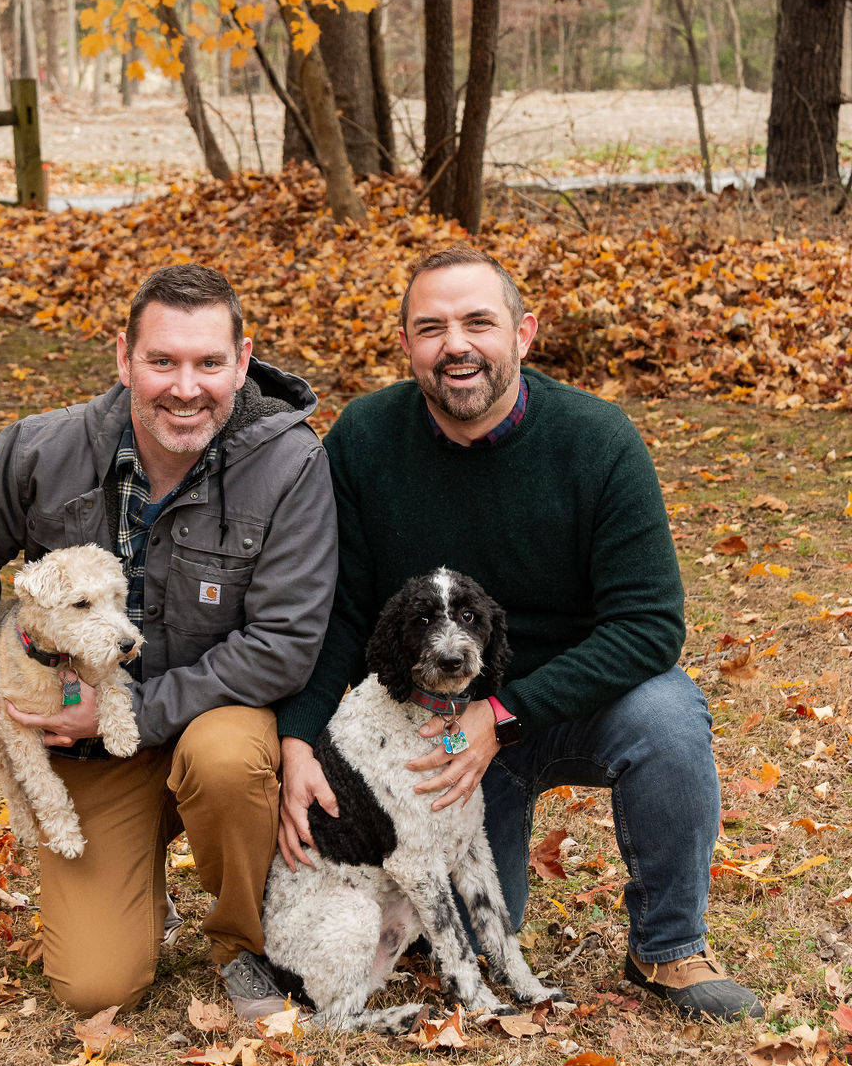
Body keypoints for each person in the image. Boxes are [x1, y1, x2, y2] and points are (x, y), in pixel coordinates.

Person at [275, 244, 763, 1022]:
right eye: (430, 328)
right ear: (406, 345)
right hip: (433, 729)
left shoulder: (597, 440)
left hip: (568, 699)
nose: (456, 345)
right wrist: (298, 739)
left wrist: (500, 716)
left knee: (669, 718)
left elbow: (650, 624)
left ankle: (669, 950)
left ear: (523, 333)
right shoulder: (364, 438)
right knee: (460, 938)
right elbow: (340, 613)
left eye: (479, 322)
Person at [0, 264, 337, 1021]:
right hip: (87, 742)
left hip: (213, 721)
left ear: (242, 363)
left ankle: (244, 946)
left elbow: (282, 643)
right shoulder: (42, 451)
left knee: (227, 761)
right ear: (124, 358)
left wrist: (137, 711)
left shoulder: (289, 464)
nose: (186, 387)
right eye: (163, 361)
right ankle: (140, 899)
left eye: (210, 362)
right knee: (96, 988)